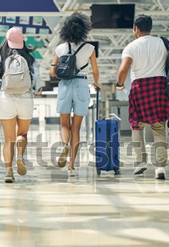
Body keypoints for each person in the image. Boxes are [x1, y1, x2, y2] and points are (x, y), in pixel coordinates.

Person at [116, 14, 169, 180]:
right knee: (158, 127)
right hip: (160, 87)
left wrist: (120, 84)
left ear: (136, 29)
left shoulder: (131, 47)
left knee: (137, 126)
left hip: (139, 88)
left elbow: (124, 69)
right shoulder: (164, 43)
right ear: (150, 27)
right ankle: (160, 167)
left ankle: (141, 162)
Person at [50, 12, 100, 177]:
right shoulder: (90, 48)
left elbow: (52, 73)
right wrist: (96, 84)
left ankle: (64, 144)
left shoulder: (60, 48)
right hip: (81, 84)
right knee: (76, 128)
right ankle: (72, 164)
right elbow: (95, 71)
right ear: (83, 29)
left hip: (65, 85)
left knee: (65, 124)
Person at [0, 27, 41, 183]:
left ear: (7, 41)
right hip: (25, 98)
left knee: (8, 139)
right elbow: (37, 81)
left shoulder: (1, 56)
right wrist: (34, 89)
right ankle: (20, 155)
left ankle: (8, 172)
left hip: (7, 99)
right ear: (22, 42)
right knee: (22, 134)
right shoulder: (31, 59)